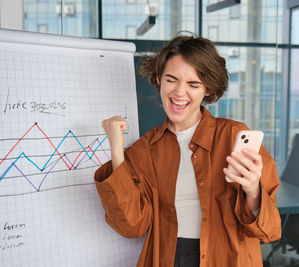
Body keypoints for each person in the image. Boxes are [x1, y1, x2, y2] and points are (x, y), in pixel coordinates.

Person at [94, 35, 281, 267]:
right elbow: (131, 226)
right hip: (168, 258)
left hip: (227, 259)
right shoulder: (145, 149)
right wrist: (116, 148)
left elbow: (270, 231)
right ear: (159, 79)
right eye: (171, 79)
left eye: (193, 84)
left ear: (209, 90)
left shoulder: (234, 136)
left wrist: (253, 190)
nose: (180, 92)